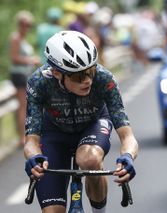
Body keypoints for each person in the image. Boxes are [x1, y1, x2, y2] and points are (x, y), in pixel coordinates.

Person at [23, 31, 139, 213]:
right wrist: (33, 158)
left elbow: (127, 136)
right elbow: (31, 141)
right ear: (56, 73)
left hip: (93, 125)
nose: (87, 81)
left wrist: (128, 157)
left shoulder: (104, 79)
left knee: (89, 159)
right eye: (78, 76)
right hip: (55, 133)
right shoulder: (39, 82)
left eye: (90, 72)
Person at [9, 10, 41, 147]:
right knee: (23, 106)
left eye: (29, 25)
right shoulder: (15, 38)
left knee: (25, 105)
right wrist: (30, 60)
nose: (26, 28)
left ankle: (25, 134)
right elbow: (14, 57)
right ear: (19, 24)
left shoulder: (23, 38)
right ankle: (22, 137)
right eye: (24, 24)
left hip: (25, 74)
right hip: (19, 74)